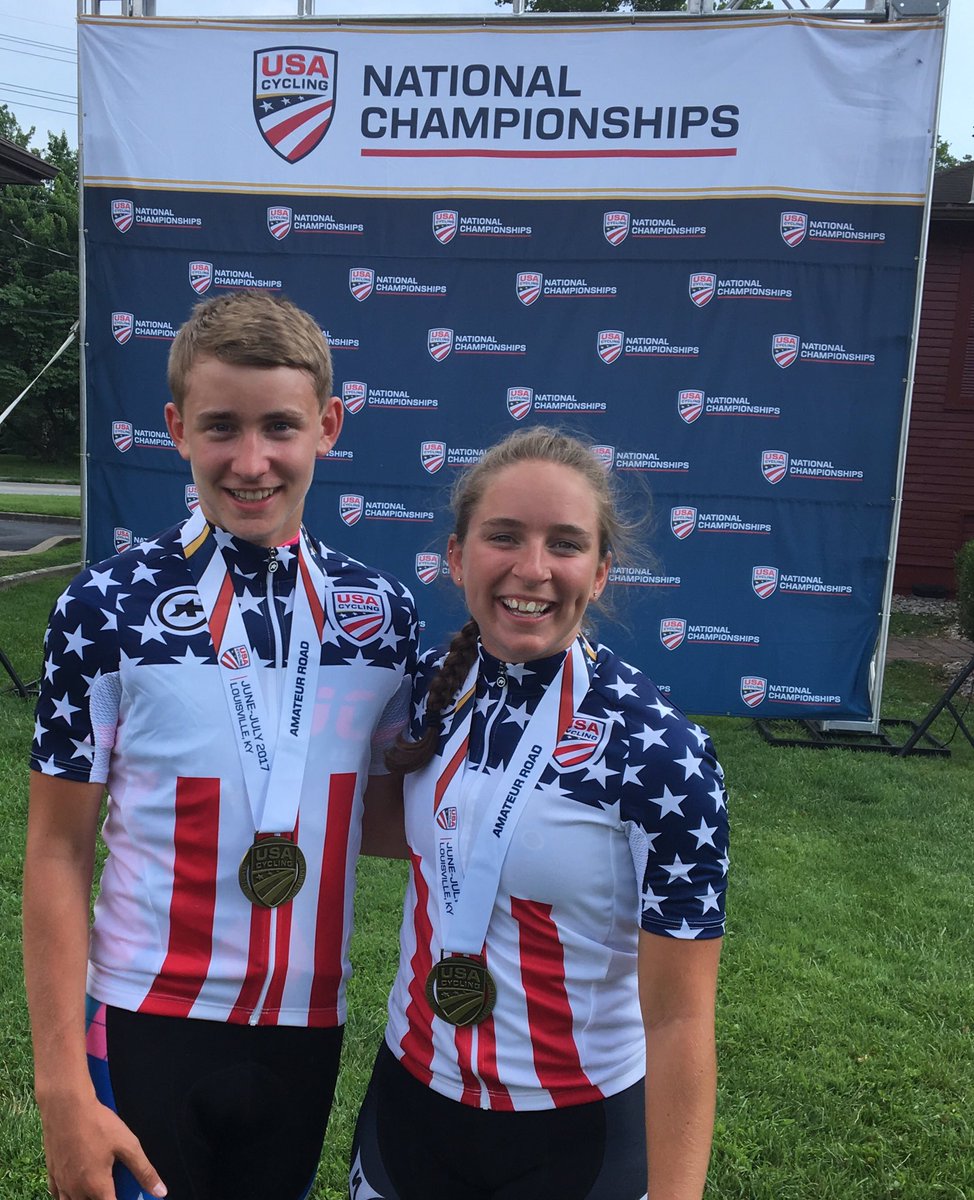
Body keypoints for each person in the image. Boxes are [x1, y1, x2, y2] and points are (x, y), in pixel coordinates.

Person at [23, 290, 418, 1200]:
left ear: (328, 425)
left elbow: (389, 817)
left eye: (280, 426)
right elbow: (55, 849)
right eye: (220, 427)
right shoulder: (105, 609)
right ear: (176, 428)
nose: (251, 461)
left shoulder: (379, 615)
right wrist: (59, 1088)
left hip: (307, 1023)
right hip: (143, 1015)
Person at [349, 427, 728, 1200]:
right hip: (410, 1101)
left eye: (564, 543)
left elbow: (681, 1022)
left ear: (600, 571)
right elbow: (399, 834)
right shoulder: (428, 694)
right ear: (456, 558)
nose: (533, 569)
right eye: (504, 537)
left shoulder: (659, 751)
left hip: (574, 1137)